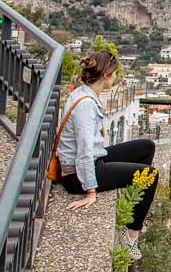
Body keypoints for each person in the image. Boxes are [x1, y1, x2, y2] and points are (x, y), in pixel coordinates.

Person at [56, 51, 158, 261]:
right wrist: (91, 191)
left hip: (93, 159)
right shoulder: (86, 105)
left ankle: (132, 208)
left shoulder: (85, 94)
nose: (116, 78)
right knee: (151, 175)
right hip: (77, 175)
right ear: (106, 74)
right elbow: (83, 151)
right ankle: (130, 236)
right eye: (115, 73)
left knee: (146, 147)